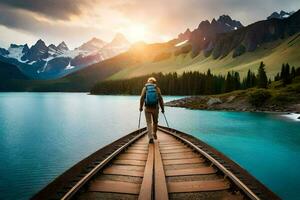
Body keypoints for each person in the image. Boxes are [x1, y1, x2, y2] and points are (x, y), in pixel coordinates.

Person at [139, 77, 164, 143]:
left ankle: (150, 137)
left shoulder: (145, 88)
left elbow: (142, 98)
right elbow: (160, 99)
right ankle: (154, 133)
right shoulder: (157, 88)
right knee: (155, 122)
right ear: (154, 82)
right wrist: (162, 109)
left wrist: (140, 107)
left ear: (148, 82)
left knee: (148, 123)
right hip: (155, 108)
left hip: (147, 108)